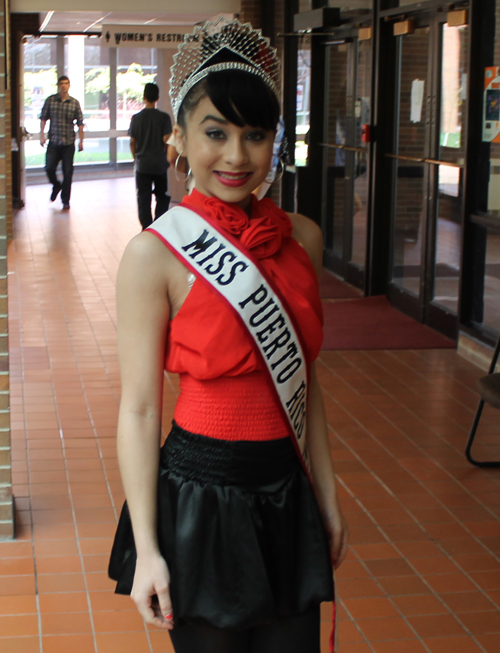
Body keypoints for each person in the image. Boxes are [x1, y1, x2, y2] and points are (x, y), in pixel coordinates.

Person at [108, 19, 348, 653]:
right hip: (198, 496)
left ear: (275, 141)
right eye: (216, 133)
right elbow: (137, 408)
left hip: (284, 489)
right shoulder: (152, 256)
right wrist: (149, 548)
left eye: (255, 134)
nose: (237, 156)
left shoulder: (304, 239)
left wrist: (326, 493)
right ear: (179, 138)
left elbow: (304, 379)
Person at [129, 83, 172, 229]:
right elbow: (166, 140)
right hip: (160, 164)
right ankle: (159, 225)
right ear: (157, 98)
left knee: (143, 198)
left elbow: (132, 142)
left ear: (144, 97)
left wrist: (136, 159)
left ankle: (147, 227)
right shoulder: (164, 118)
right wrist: (164, 153)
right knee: (162, 195)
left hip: (143, 165)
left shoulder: (136, 118)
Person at [40, 75, 84, 210]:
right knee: (49, 168)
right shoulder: (51, 101)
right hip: (54, 142)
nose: (64, 86)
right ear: (58, 86)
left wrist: (81, 141)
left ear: (69, 86)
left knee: (68, 172)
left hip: (68, 143)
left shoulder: (74, 103)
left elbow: (80, 123)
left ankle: (65, 200)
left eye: (66, 83)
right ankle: (56, 185)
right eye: (61, 84)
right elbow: (43, 118)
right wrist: (42, 135)